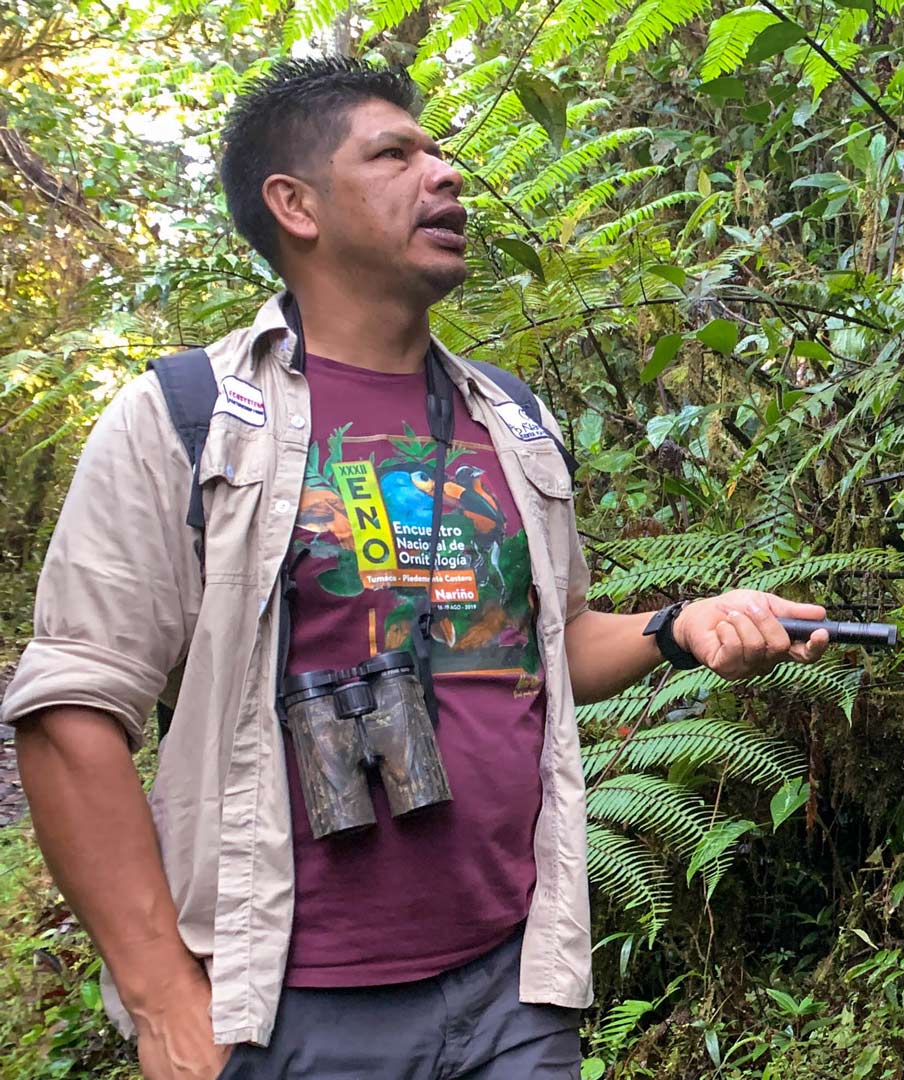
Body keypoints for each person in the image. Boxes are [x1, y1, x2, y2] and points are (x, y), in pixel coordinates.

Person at [4, 56, 829, 1079]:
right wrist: (162, 994)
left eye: (438, 149)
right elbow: (69, 710)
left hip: (512, 988)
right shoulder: (188, 421)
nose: (444, 174)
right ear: (294, 204)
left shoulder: (510, 422)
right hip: (286, 1011)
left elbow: (553, 641)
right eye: (395, 153)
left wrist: (677, 627)